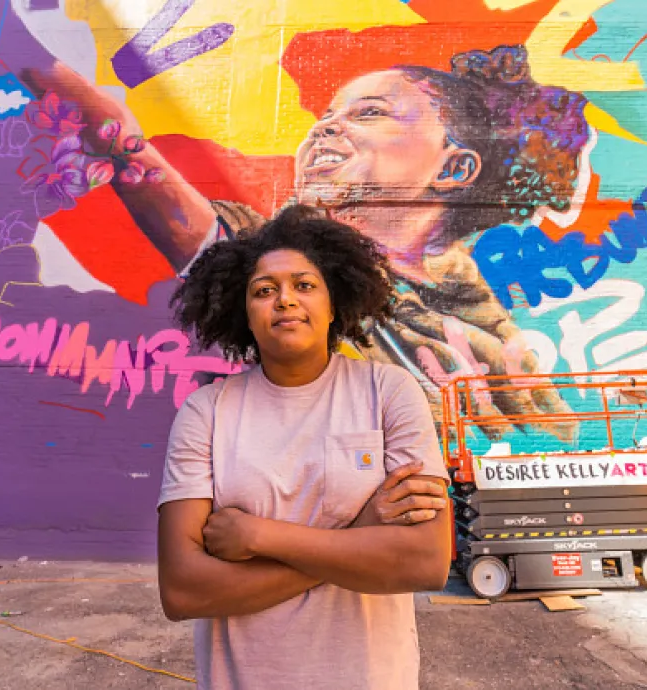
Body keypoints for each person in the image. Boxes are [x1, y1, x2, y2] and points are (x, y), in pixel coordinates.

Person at [22, 44, 585, 440]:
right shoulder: (263, 250)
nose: (325, 127)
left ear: (454, 167)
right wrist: (41, 72)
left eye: (369, 113)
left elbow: (549, 437)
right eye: (326, 115)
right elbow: (131, 156)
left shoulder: (489, 334)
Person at [157, 205, 452, 689]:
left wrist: (259, 537)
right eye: (264, 290)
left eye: (304, 285)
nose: (285, 300)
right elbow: (183, 590)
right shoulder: (206, 413)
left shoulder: (389, 393)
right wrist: (362, 532)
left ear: (334, 304)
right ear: (243, 314)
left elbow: (425, 561)